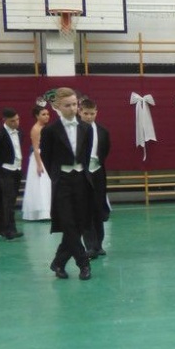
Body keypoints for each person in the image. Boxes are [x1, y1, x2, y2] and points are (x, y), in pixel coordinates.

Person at [39, 87, 93, 280]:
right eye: (67, 105)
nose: (72, 108)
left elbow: (86, 155)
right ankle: (83, 263)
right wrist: (57, 176)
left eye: (74, 104)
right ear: (57, 107)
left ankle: (59, 262)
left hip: (81, 180)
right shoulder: (50, 131)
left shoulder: (86, 128)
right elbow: (46, 157)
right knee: (68, 223)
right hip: (62, 181)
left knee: (78, 224)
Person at [78, 97, 111, 258]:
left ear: (96, 112)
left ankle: (99, 245)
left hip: (97, 172)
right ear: (80, 112)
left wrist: (97, 163)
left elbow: (105, 150)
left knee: (98, 209)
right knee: (85, 210)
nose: (89, 116)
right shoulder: (75, 131)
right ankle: (90, 246)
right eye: (86, 113)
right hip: (82, 173)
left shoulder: (103, 131)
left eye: (92, 113)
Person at [0, 107, 24, 240]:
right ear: (5, 120)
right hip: (4, 171)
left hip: (17, 170)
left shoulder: (20, 133)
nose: (16, 123)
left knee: (6, 200)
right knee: (8, 202)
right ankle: (9, 230)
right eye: (13, 121)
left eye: (17, 119)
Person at [22, 105, 53, 221]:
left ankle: (50, 210)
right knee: (40, 184)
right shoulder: (35, 129)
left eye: (47, 114)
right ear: (37, 116)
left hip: (46, 156)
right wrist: (39, 165)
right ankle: (41, 212)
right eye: (43, 114)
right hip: (38, 157)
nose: (46, 116)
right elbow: (35, 148)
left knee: (47, 184)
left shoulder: (46, 128)